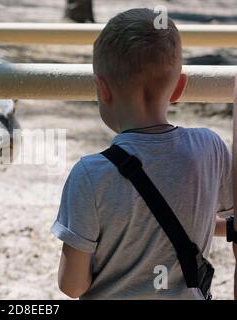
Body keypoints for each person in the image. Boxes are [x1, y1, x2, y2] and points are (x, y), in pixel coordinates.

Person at [51, 8, 234, 299]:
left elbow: (72, 286)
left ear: (102, 89)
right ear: (179, 88)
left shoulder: (88, 175)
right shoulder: (210, 147)